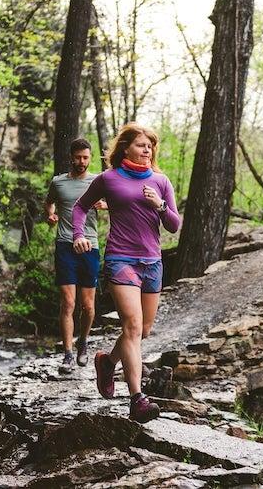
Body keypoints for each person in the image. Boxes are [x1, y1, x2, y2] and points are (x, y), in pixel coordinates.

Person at [72, 122, 180, 423]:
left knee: (142, 331)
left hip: (152, 261)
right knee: (132, 325)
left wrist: (160, 206)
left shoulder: (161, 181)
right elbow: (81, 208)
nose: (147, 150)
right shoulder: (109, 178)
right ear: (126, 147)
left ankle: (107, 362)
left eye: (150, 146)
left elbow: (174, 224)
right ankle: (137, 399)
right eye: (141, 144)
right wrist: (79, 234)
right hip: (121, 259)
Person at [45, 138, 106, 374]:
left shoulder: (97, 182)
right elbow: (49, 204)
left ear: (90, 158)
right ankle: (68, 355)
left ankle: (83, 342)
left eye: (86, 158)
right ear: (71, 157)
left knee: (87, 306)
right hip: (65, 245)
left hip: (90, 246)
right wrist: (50, 216)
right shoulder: (59, 182)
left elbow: (117, 203)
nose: (81, 162)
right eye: (78, 157)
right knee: (68, 303)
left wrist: (105, 206)